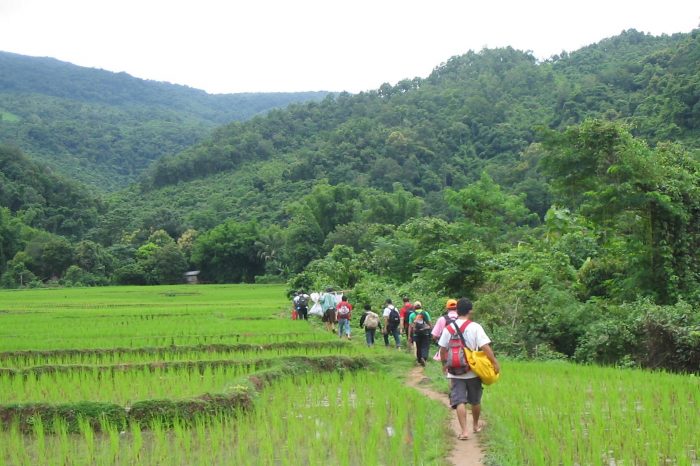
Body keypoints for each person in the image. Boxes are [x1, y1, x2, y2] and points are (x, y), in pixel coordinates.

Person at [438, 297, 500, 441]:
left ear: (457, 310)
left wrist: (444, 365)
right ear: (470, 310)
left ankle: (464, 431)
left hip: (455, 372)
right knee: (475, 401)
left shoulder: (448, 328)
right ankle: (476, 425)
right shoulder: (475, 327)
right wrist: (494, 362)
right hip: (473, 371)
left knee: (459, 401)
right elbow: (485, 347)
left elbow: (442, 350)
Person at [408, 301, 432, 366]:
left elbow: (410, 326)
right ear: (421, 306)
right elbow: (429, 323)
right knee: (425, 346)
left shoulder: (412, 315)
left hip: (416, 334)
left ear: (414, 307)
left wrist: (409, 336)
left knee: (418, 347)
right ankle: (423, 357)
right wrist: (430, 330)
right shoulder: (425, 313)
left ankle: (419, 360)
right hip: (425, 332)